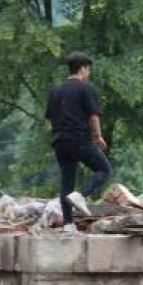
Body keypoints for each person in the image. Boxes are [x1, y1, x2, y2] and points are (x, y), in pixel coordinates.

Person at [44, 52, 112, 232]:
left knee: (67, 181)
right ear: (82, 68)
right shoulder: (85, 87)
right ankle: (81, 195)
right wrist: (98, 137)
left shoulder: (56, 90)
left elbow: (49, 120)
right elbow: (93, 115)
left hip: (59, 141)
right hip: (79, 138)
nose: (88, 73)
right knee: (103, 169)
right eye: (88, 69)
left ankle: (68, 225)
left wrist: (58, 134)